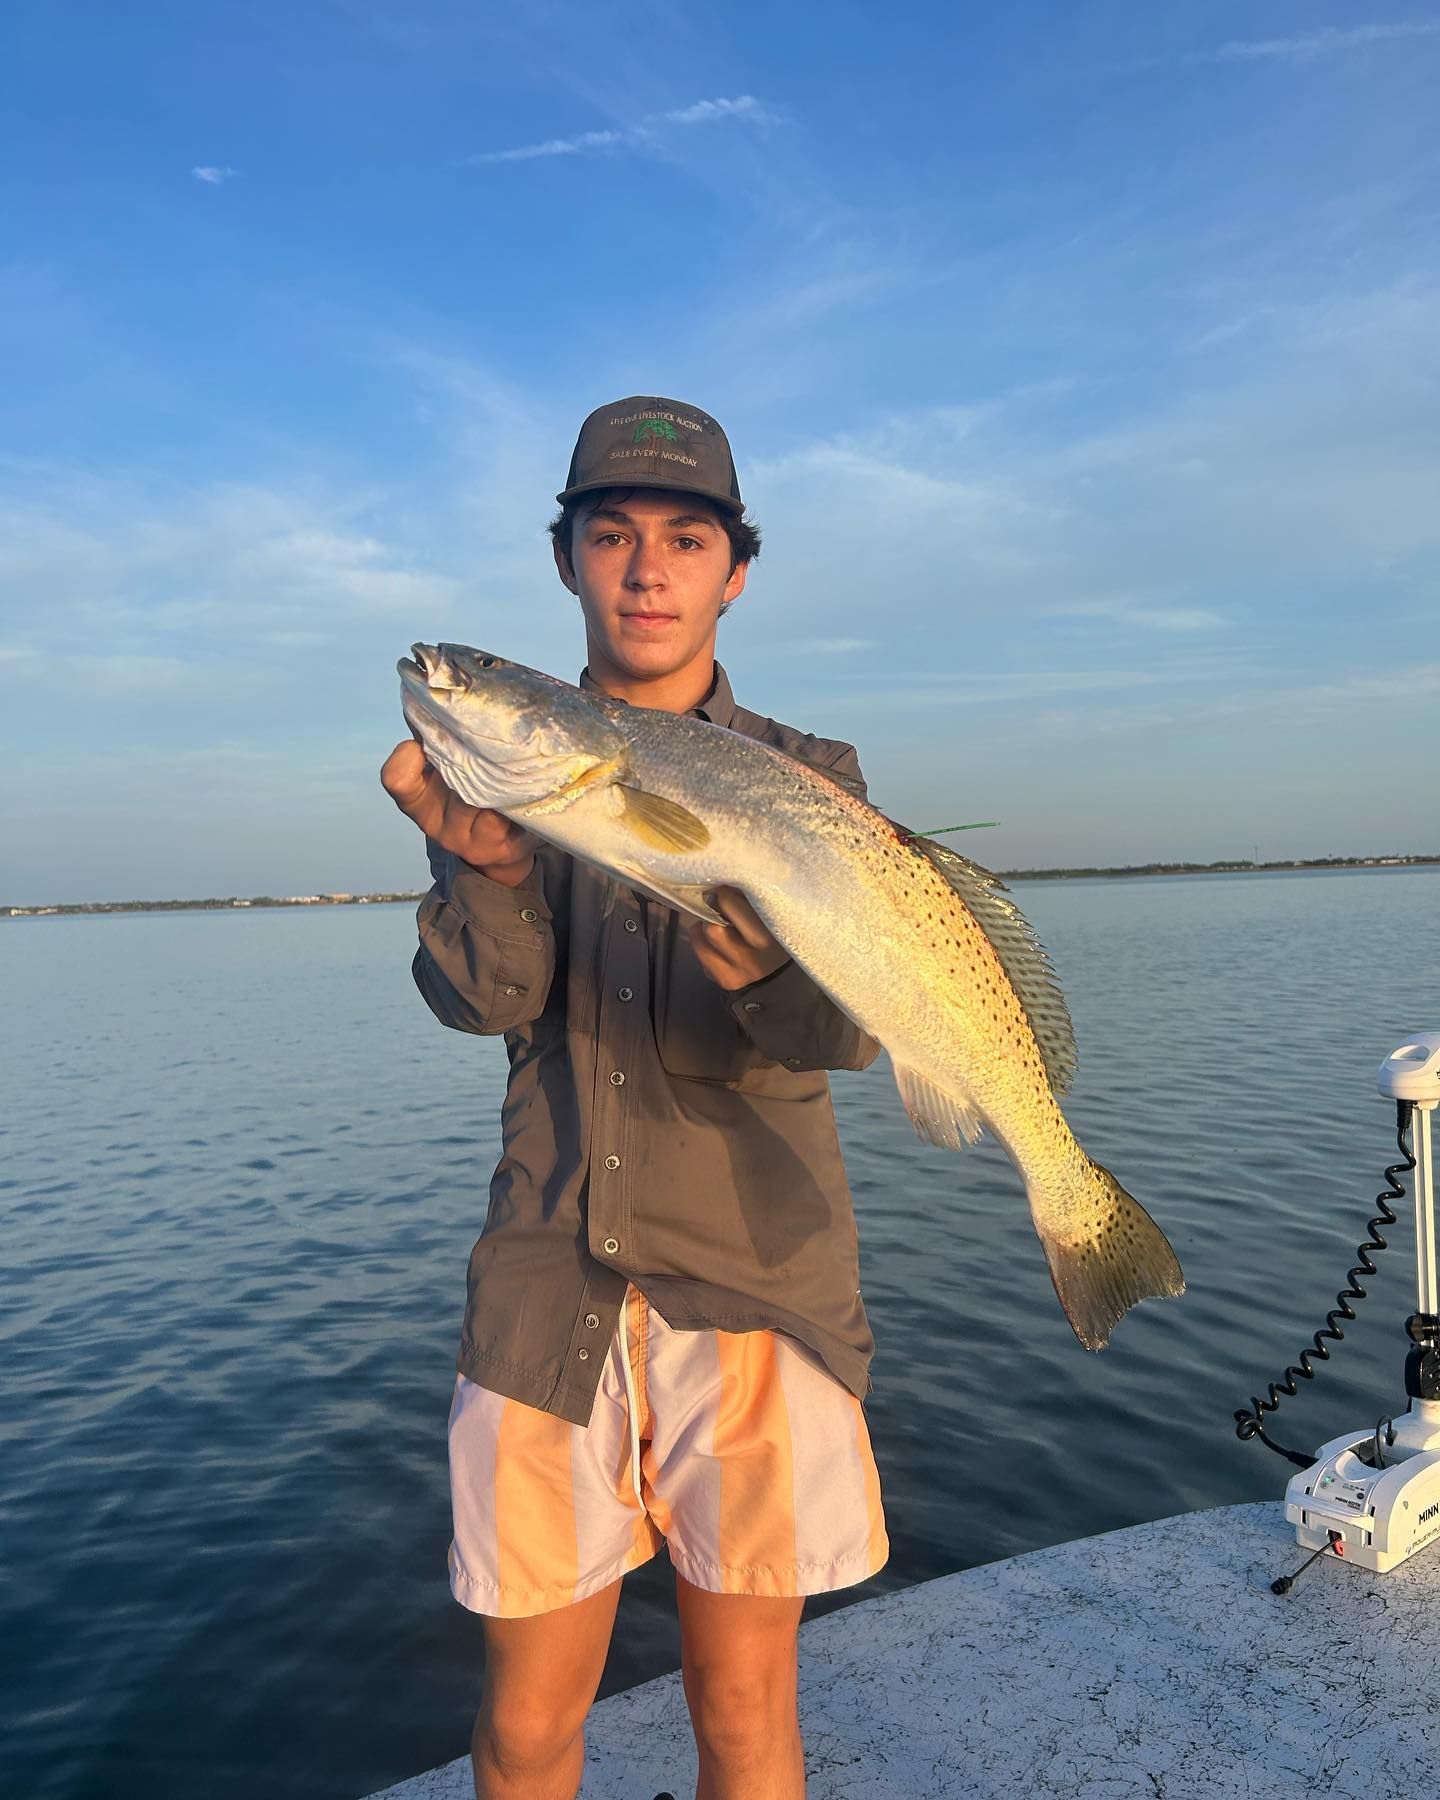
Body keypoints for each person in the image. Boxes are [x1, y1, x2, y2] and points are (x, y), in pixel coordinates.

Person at [381, 396, 889, 1800]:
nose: (647, 569)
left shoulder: (818, 781)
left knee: (745, 1710)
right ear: (568, 564)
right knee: (529, 1725)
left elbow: (840, 1036)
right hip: (552, 1280)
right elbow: (485, 1003)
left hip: (758, 1280)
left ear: (736, 571)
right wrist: (480, 865)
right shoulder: (517, 771)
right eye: (612, 536)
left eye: (684, 538)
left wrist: (774, 984)